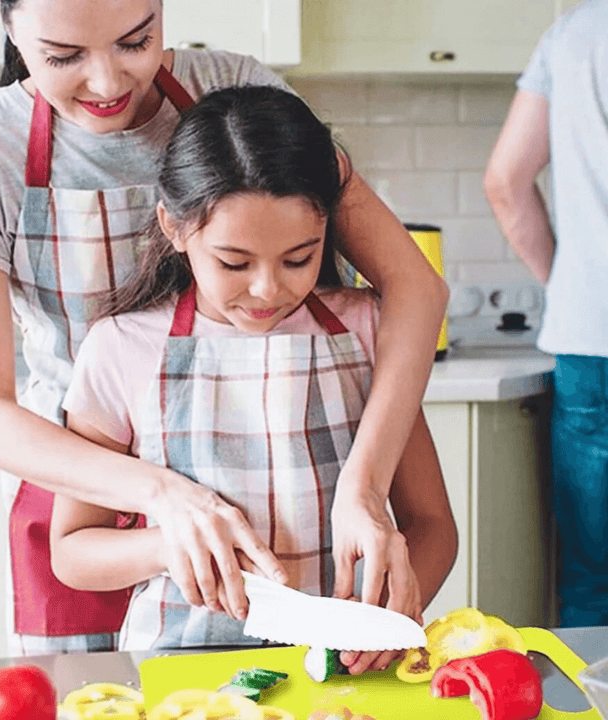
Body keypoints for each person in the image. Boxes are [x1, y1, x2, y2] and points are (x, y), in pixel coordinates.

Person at [0, 0, 448, 661]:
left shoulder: (234, 92)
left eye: (136, 41)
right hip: (77, 487)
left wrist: (362, 487)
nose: (107, 84)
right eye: (63, 56)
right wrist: (167, 499)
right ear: (9, 28)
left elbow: (415, 287)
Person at [50, 85, 458, 662]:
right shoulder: (122, 348)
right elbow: (71, 551)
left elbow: (433, 523)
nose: (269, 289)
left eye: (300, 258)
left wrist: (390, 607)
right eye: (233, 262)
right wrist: (167, 545)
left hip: (341, 669)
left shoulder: (368, 333)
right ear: (173, 227)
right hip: (183, 669)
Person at [483, 0, 608, 627]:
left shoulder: (577, 34)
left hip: (594, 337)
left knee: (594, 577)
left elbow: (506, 181)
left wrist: (571, 284)